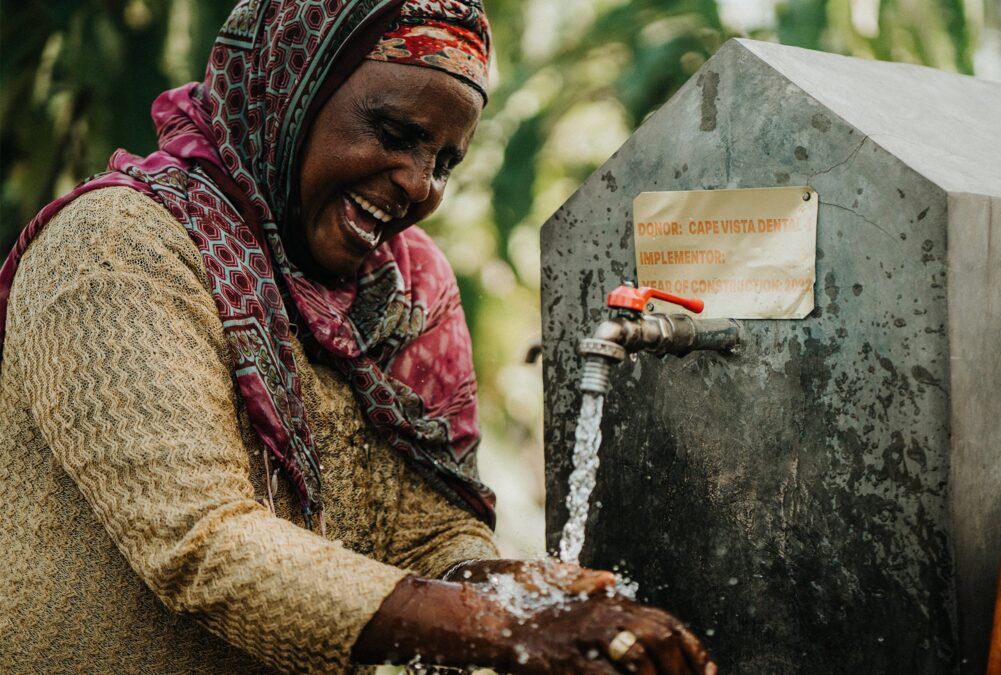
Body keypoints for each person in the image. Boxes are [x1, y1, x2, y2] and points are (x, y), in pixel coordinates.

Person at [0, 1, 716, 673]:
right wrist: (509, 627)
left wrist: (529, 592)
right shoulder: (117, 250)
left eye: (443, 162)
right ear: (292, 89)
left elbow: (427, 530)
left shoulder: (402, 290)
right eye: (396, 134)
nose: (418, 184)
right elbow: (201, 542)